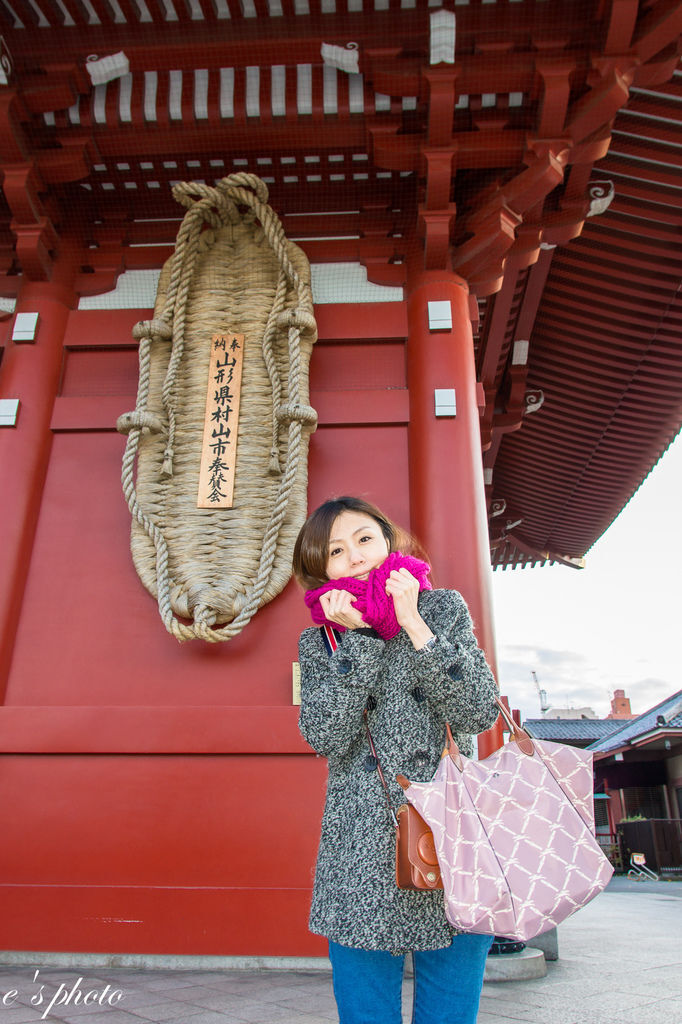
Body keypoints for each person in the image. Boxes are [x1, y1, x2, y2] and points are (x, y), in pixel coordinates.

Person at [292, 495, 500, 1024]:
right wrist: (358, 641)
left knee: (451, 1014)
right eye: (336, 550)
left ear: (387, 540)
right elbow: (325, 738)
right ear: (321, 569)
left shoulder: (443, 607)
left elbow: (478, 712)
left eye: (364, 538)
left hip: (450, 837)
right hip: (361, 847)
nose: (355, 555)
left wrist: (414, 624)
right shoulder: (321, 642)